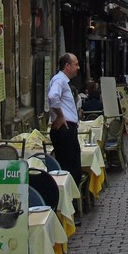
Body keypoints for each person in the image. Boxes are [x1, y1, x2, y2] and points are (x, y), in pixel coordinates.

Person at [47, 52, 83, 190]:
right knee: (69, 167)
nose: (78, 67)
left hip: (68, 128)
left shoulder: (62, 81)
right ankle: (69, 200)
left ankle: (72, 199)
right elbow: (53, 96)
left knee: (73, 166)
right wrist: (61, 116)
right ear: (67, 66)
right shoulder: (59, 80)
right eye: (76, 64)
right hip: (65, 129)